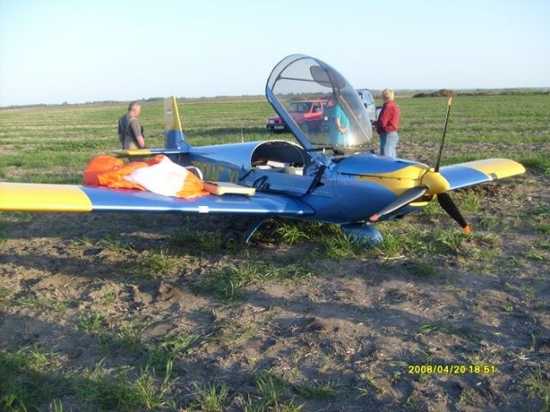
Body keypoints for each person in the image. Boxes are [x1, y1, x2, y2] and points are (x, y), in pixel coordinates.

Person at [376, 89, 400, 158]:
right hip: (392, 133)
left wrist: (375, 125)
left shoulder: (388, 106)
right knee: (392, 157)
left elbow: (382, 122)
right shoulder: (394, 105)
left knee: (386, 158)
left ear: (384, 96)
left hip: (387, 134)